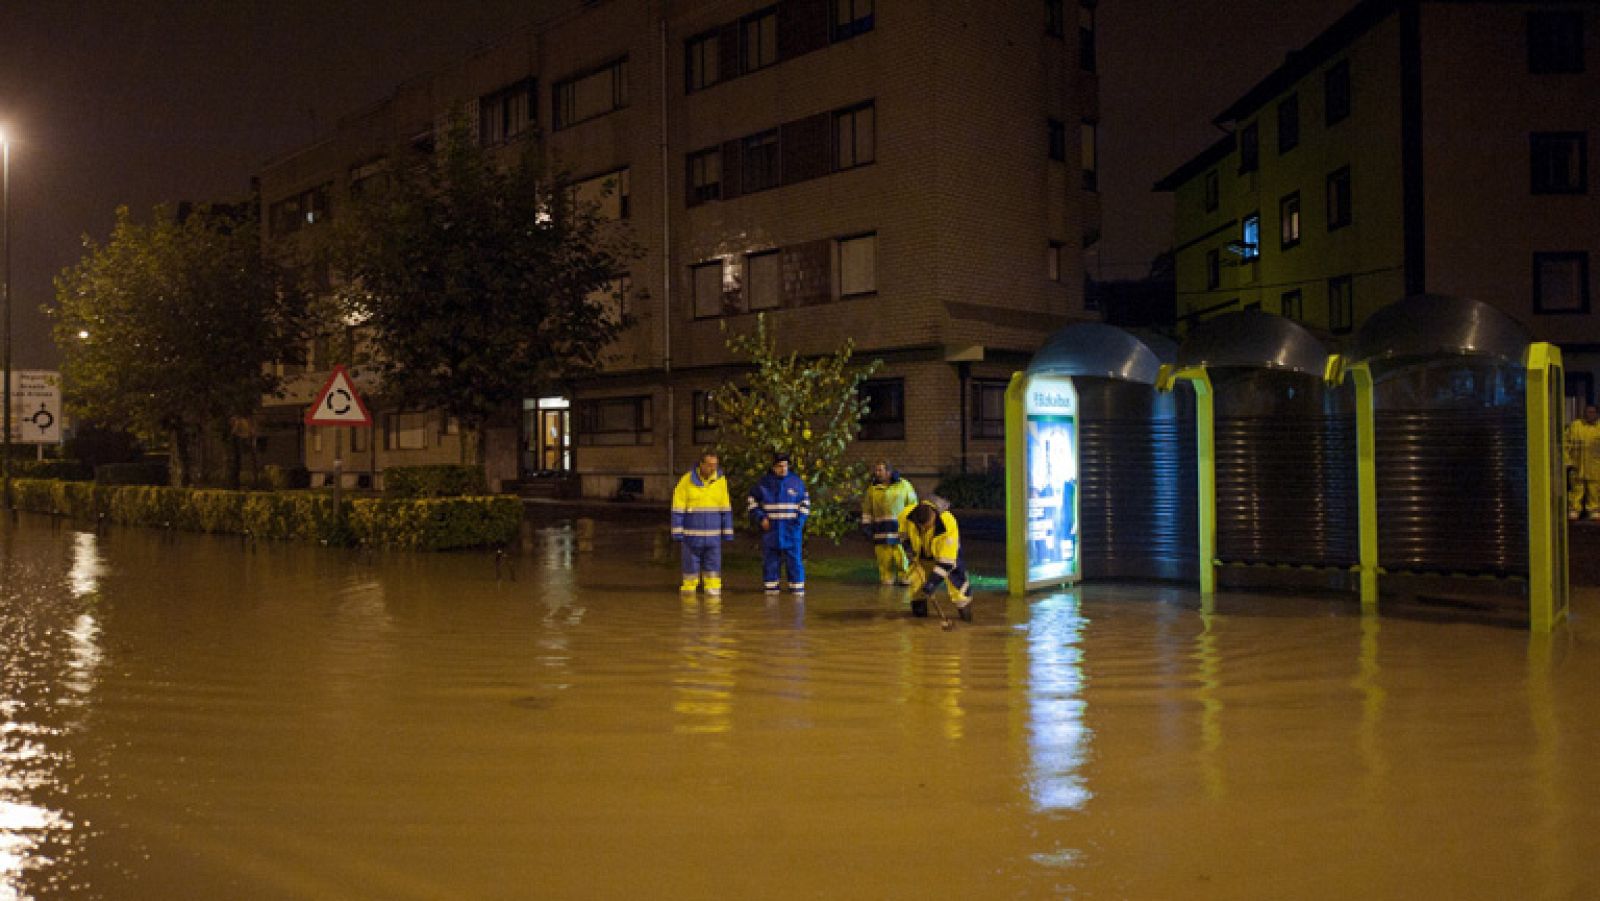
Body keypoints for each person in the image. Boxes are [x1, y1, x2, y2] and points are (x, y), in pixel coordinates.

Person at [671, 451, 735, 594]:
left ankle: (712, 595)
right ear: (701, 464)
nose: (713, 469)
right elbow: (677, 507)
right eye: (710, 465)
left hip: (713, 537)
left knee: (713, 569)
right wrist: (677, 531)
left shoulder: (721, 481)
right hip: (691, 536)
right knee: (690, 570)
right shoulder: (686, 481)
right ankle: (689, 595)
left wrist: (728, 531)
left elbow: (725, 507)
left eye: (715, 465)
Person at [899, 497, 973, 622]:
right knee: (917, 582)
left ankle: (964, 609)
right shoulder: (906, 515)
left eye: (927, 526)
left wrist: (932, 583)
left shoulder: (948, 524)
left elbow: (947, 562)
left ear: (934, 516)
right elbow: (903, 534)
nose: (924, 529)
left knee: (957, 584)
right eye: (920, 526)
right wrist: (907, 547)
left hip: (947, 555)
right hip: (921, 556)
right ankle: (919, 610)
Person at [747, 452, 810, 594]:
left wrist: (798, 523)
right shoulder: (764, 483)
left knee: (794, 562)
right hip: (771, 530)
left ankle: (797, 591)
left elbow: (805, 504)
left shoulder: (796, 482)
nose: (783, 469)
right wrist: (760, 518)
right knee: (770, 562)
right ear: (774, 467)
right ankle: (771, 592)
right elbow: (752, 501)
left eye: (786, 466)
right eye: (780, 466)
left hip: (791, 531)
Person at [861, 461, 918, 585]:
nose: (877, 473)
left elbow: (912, 505)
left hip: (900, 529)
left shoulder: (904, 485)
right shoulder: (873, 489)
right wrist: (866, 525)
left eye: (880, 470)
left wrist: (913, 525)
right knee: (883, 557)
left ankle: (905, 578)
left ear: (889, 472)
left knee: (901, 555)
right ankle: (886, 578)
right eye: (876, 470)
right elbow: (867, 509)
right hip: (880, 529)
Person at [1566, 404, 1600, 521]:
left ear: (1597, 414)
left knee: (1594, 489)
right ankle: (1574, 509)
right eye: (1587, 412)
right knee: (1576, 489)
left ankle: (1594, 510)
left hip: (1595, 465)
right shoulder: (1576, 426)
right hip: (1577, 464)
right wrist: (1567, 461)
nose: (1589, 414)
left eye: (1592, 412)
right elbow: (1566, 443)